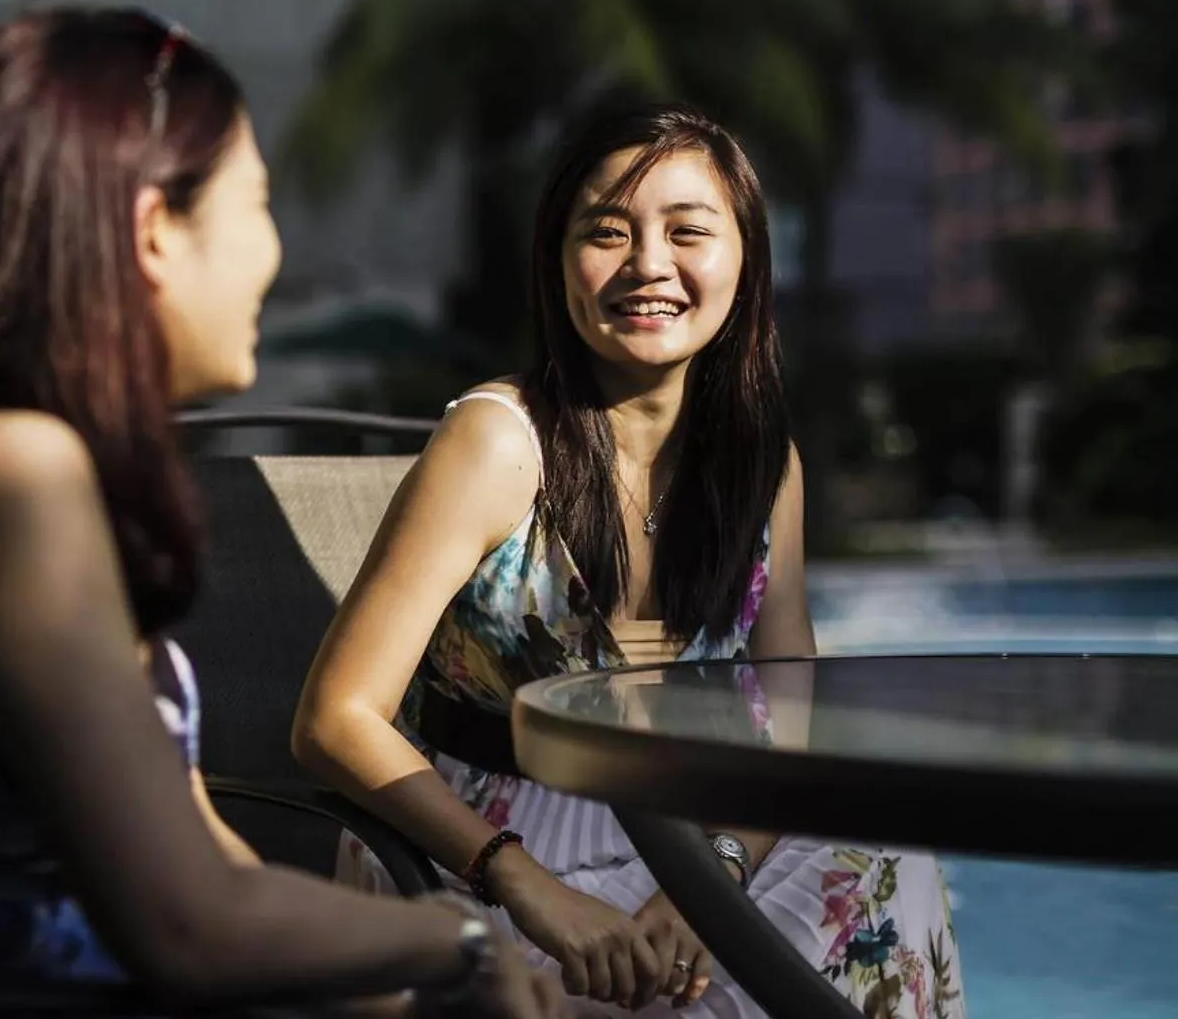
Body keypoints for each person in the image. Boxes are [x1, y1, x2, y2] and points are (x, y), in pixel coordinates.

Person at [0, 9, 565, 1018]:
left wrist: (395, 997)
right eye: (257, 204)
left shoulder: (31, 464)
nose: (274, 251)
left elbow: (200, 858)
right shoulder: (10, 476)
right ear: (152, 233)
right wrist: (461, 942)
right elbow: (187, 927)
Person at [292, 104, 965, 1018]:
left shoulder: (763, 465)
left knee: (888, 854)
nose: (648, 264)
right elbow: (334, 720)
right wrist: (525, 884)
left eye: (688, 232)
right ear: (558, 261)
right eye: (607, 232)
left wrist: (717, 875)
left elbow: (789, 713)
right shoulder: (497, 446)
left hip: (692, 834)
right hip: (482, 853)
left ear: (746, 259)